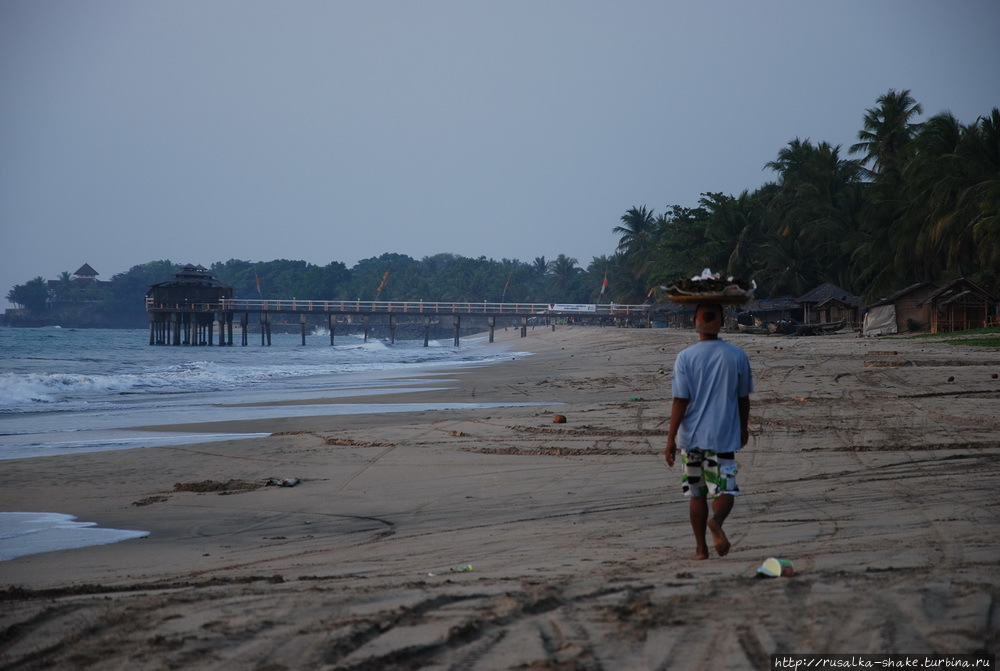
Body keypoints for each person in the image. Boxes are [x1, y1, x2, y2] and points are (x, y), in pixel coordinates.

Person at [665, 303, 753, 560]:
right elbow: (743, 398)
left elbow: (680, 400)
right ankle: (716, 521)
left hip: (692, 437)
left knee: (697, 494)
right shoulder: (736, 355)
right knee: (725, 489)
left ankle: (701, 549)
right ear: (721, 322)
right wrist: (743, 428)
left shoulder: (686, 357)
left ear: (695, 322)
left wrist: (670, 439)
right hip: (724, 435)